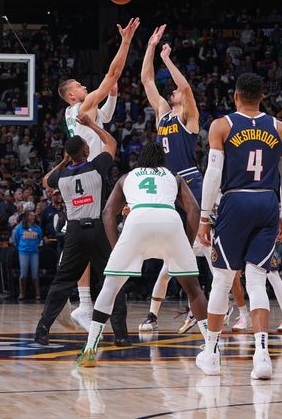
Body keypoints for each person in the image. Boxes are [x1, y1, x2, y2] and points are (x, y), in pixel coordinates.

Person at [137, 26, 250, 334]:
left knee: (211, 253)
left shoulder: (189, 118)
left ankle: (230, 308)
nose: (171, 91)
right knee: (173, 255)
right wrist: (150, 45)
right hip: (170, 186)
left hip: (193, 184)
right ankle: (158, 313)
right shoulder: (162, 113)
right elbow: (147, 79)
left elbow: (185, 89)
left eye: (172, 90)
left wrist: (168, 60)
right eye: (170, 91)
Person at [196, 73, 282, 380]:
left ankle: (211, 354)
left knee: (223, 281)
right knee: (256, 279)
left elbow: (213, 173)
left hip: (235, 202)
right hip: (267, 202)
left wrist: (203, 215)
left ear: (235, 96)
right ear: (262, 96)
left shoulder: (222, 125)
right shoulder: (280, 128)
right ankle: (262, 357)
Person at [76, 143, 208, 367]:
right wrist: (186, 242)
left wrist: (115, 245)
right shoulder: (173, 176)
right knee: (193, 288)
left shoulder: (127, 177)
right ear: (161, 162)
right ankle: (213, 346)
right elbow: (194, 209)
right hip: (170, 221)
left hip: (137, 221)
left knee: (110, 287)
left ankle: (90, 349)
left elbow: (108, 212)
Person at [57, 17, 139, 331]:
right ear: (72, 96)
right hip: (90, 175)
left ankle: (86, 303)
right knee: (94, 238)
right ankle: (92, 303)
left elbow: (103, 117)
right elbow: (113, 73)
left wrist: (114, 95)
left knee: (86, 237)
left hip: (83, 176)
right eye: (79, 86)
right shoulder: (81, 108)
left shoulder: (81, 113)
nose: (84, 86)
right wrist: (126, 41)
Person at [35, 112, 129, 347]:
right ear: (87, 152)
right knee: (112, 279)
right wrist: (91, 125)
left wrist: (65, 160)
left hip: (75, 232)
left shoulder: (61, 176)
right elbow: (111, 143)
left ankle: (43, 329)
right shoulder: (97, 167)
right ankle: (121, 334)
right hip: (97, 230)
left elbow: (45, 180)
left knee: (62, 282)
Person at [14, 211, 43, 300]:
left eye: (34, 216)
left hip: (34, 253)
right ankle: (22, 293)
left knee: (35, 273)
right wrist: (22, 247)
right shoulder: (19, 228)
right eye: (31, 216)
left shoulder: (37, 228)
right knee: (23, 273)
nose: (33, 217)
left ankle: (37, 293)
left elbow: (39, 239)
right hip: (23, 253)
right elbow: (16, 240)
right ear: (26, 217)